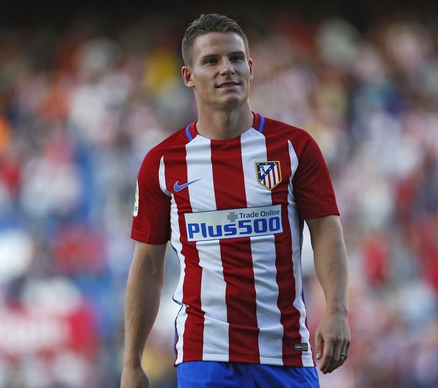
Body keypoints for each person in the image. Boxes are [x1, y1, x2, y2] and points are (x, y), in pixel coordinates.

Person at [121, 13, 350, 388]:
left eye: (235, 58)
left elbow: (326, 230)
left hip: (286, 351)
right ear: (188, 76)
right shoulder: (162, 163)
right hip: (205, 355)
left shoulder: (294, 148)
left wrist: (337, 309)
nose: (226, 69)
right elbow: (147, 264)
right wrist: (132, 363)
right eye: (211, 61)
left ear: (251, 67)